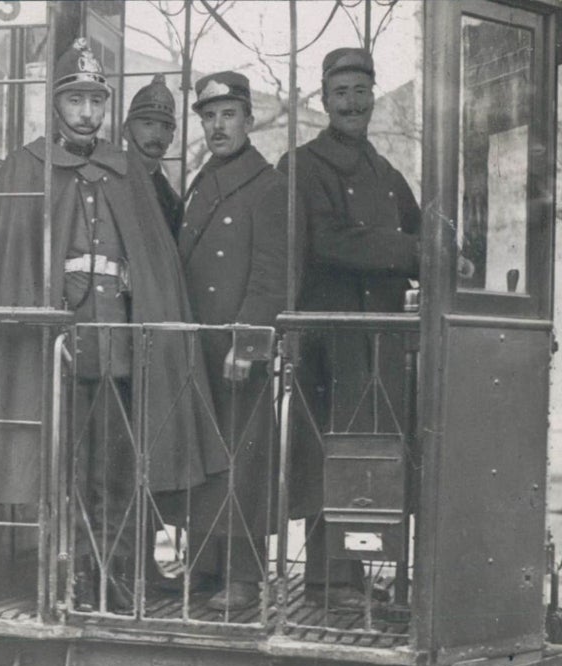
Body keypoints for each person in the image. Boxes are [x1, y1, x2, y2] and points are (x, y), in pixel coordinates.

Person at [0, 38, 226, 612]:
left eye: (96, 101)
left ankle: (111, 579)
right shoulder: (28, 165)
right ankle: (66, 579)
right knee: (60, 473)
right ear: (57, 103)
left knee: (112, 473)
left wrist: (136, 288)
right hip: (57, 352)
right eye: (77, 100)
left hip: (119, 349)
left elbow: (153, 257)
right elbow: (12, 261)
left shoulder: (126, 168)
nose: (87, 113)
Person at [278, 48, 473, 610]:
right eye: (341, 93)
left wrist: (449, 249)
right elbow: (330, 241)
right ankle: (325, 580)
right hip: (331, 336)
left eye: (361, 91)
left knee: (370, 451)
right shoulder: (302, 165)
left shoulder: (384, 172)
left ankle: (352, 572)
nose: (353, 103)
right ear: (323, 100)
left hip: (378, 338)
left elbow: (421, 230)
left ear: (373, 96)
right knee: (329, 455)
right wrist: (418, 251)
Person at [179, 72, 289, 611]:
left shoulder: (266, 185)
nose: (217, 126)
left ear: (248, 119)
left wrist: (247, 343)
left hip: (234, 345)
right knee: (206, 455)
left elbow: (272, 273)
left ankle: (244, 576)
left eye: (227, 115)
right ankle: (203, 566)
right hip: (200, 343)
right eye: (208, 116)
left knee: (242, 459)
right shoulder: (205, 178)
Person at [124, 73, 183, 237]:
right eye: (148, 124)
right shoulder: (103, 180)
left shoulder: (172, 202)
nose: (157, 134)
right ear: (126, 130)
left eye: (165, 127)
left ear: (172, 137)